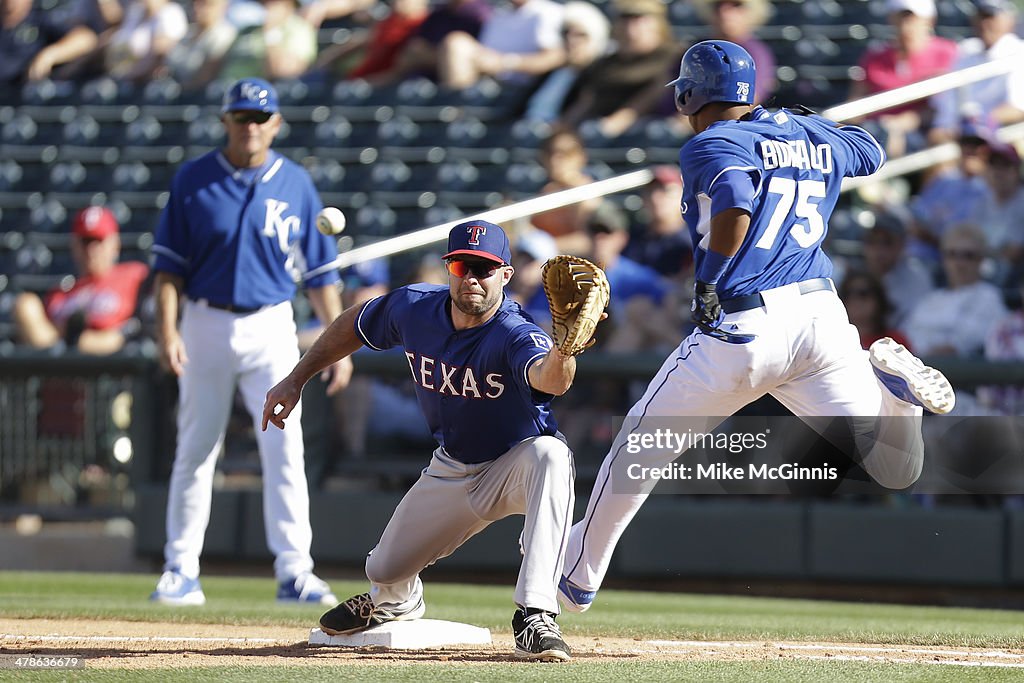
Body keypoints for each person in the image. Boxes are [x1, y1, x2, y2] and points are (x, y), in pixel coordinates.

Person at [557, 40, 956, 613]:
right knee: (894, 468)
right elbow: (870, 151)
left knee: (642, 443)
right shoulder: (808, 134)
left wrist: (708, 280)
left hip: (749, 319)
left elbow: (736, 203)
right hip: (823, 320)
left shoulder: (710, 141)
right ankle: (901, 402)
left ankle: (578, 573)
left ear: (693, 94)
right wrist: (804, 125)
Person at [262, 220, 584, 662]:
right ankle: (397, 600)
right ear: (447, 268)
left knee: (552, 455)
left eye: (485, 268)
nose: (472, 277)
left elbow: (549, 381)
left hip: (515, 465)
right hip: (452, 467)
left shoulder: (514, 331)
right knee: (383, 569)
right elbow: (352, 325)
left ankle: (535, 614)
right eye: (462, 266)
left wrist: (563, 351)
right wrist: (297, 378)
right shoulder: (414, 307)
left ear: (505, 276)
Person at [149, 78, 351, 606]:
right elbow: (168, 270)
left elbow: (322, 276)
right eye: (241, 117)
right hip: (205, 319)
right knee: (196, 446)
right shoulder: (194, 180)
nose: (251, 127)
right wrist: (167, 329)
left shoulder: (297, 184)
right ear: (226, 122)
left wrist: (338, 344)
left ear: (276, 124)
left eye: (260, 118)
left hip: (270, 323)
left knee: (285, 447)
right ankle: (180, 568)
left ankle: (295, 571)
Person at [13, 206, 149, 355]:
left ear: (115, 244)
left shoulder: (134, 275)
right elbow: (44, 337)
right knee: (26, 303)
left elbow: (120, 337)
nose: (92, 250)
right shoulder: (60, 293)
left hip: (113, 364)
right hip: (60, 366)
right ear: (75, 245)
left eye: (98, 240)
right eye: (86, 241)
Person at [847, 0, 957, 157]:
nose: (907, 25)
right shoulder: (874, 56)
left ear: (929, 20)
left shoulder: (947, 53)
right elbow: (855, 106)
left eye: (912, 18)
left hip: (923, 134)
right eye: (902, 17)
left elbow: (945, 107)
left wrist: (900, 124)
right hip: (876, 132)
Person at [559, 0, 681, 138]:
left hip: (645, 130)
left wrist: (614, 124)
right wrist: (562, 130)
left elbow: (654, 93)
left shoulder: (673, 58)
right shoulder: (607, 64)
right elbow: (587, 101)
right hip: (597, 127)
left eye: (638, 20)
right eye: (624, 20)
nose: (629, 29)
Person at [902, 223, 1007, 357]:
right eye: (952, 254)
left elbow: (963, 343)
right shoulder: (930, 298)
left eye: (968, 255)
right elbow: (907, 334)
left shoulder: (989, 296)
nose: (959, 262)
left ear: (981, 260)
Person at [929, 0, 1024, 144]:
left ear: (1009, 20)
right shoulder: (967, 52)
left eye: (990, 17)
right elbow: (947, 105)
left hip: (996, 140)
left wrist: (975, 125)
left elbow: (1017, 109)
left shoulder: (1018, 53)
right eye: (980, 17)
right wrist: (947, 128)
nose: (984, 24)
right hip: (965, 136)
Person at [435, 0, 565, 90]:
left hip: (522, 91)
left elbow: (554, 57)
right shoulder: (499, 14)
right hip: (486, 81)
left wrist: (506, 62)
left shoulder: (548, 12)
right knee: (457, 43)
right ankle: (456, 105)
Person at [522, 0, 611, 123]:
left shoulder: (600, 74)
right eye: (566, 33)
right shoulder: (553, 71)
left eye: (580, 35)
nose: (571, 40)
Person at [692, 0, 776, 106]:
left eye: (736, 5)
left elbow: (750, 98)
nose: (724, 12)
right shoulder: (698, 50)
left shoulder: (756, 52)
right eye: (718, 5)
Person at [1, 0, 102, 84]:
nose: (10, 3)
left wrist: (48, 56)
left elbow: (85, 38)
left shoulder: (39, 18)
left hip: (25, 93)